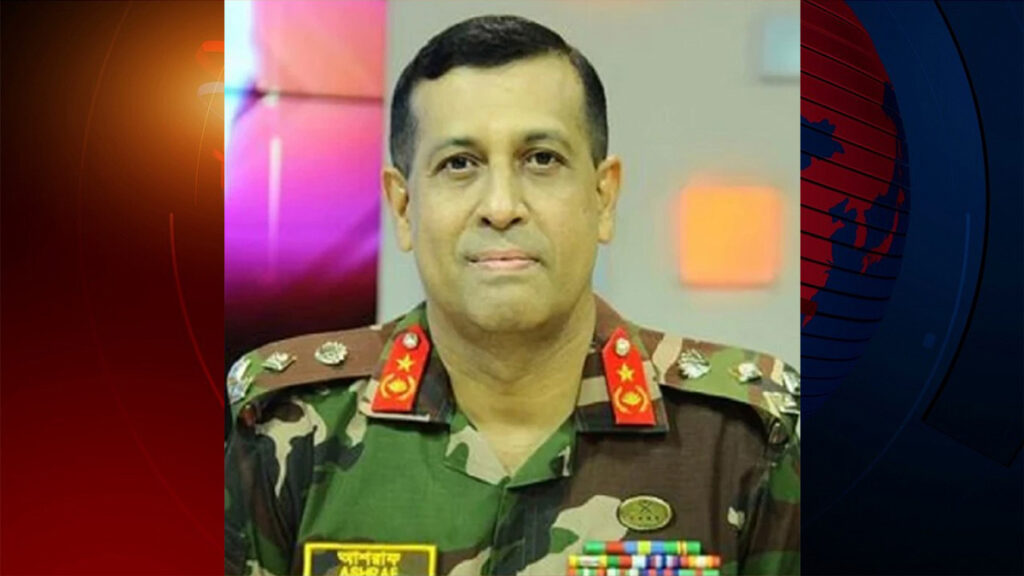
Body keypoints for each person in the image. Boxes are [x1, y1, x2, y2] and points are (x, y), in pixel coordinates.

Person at [225, 14, 799, 576]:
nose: (501, 207)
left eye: (542, 159)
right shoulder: (286, 424)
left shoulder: (746, 438)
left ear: (603, 197)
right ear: (403, 207)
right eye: (459, 164)